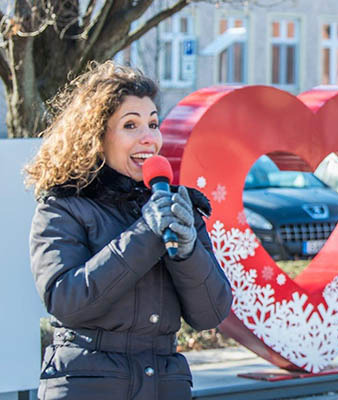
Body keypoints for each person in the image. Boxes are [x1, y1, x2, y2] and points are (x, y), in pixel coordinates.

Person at [25, 61, 232, 400]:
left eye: (153, 123)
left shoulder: (175, 208)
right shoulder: (63, 206)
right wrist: (145, 234)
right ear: (96, 137)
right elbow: (66, 301)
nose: (148, 138)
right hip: (87, 384)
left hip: (165, 384)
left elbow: (211, 313)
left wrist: (188, 253)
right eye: (130, 125)